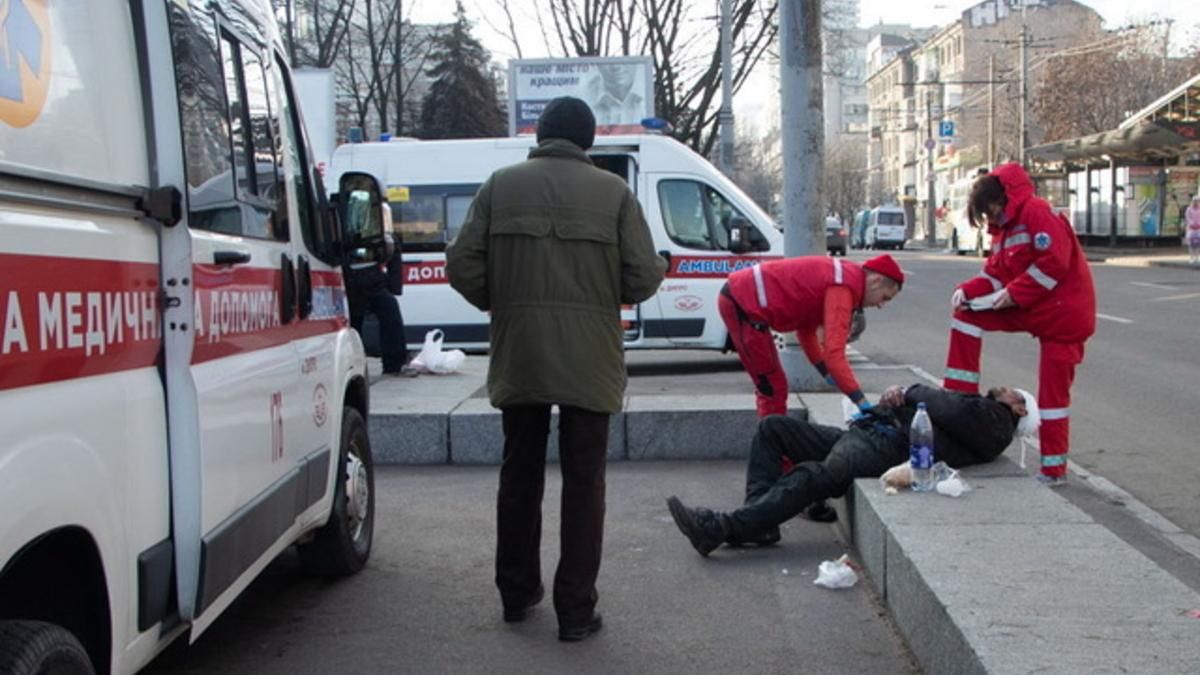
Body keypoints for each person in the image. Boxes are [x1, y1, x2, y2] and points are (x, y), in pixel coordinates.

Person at [445, 96, 666, 642]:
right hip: (589, 360)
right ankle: (575, 610)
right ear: (588, 141)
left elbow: (461, 265)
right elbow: (640, 278)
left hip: (520, 352)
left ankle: (517, 595)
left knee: (518, 474)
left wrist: (505, 303)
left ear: (541, 135)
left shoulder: (500, 185)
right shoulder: (613, 193)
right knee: (584, 482)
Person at [666, 383, 1034, 556]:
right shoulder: (985, 413)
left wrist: (911, 390)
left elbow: (949, 410)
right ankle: (759, 524)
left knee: (816, 475)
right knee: (773, 428)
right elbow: (942, 410)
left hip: (884, 445)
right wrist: (899, 397)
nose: (1006, 390)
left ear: (1019, 411)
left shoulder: (996, 421)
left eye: (1015, 394)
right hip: (872, 432)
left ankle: (723, 528)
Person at [943, 163, 1095, 486]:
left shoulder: (1037, 213)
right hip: (1033, 306)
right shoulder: (1003, 229)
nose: (991, 219)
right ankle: (959, 403)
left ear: (1002, 198)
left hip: (1064, 313)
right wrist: (967, 291)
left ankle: (1054, 470)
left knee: (1053, 397)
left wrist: (1014, 293)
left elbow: (1054, 263)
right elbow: (995, 273)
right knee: (966, 314)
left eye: (991, 211)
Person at [719, 254, 905, 418]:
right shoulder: (843, 288)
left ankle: (775, 447)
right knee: (772, 388)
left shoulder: (843, 278)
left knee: (773, 386)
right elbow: (834, 353)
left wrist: (824, 370)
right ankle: (772, 452)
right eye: (885, 298)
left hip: (742, 301)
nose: (881, 305)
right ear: (876, 281)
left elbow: (806, 330)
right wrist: (860, 400)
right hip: (743, 304)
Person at [345, 227, 417, 377]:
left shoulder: (375, 232)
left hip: (369, 278)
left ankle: (394, 364)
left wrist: (393, 287)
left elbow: (392, 249)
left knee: (389, 310)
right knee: (353, 323)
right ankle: (352, 365)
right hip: (350, 279)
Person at [1185, 194, 1200, 265]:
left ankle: (1197, 257)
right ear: (1192, 201)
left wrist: (1198, 224)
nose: (1196, 202)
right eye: (1195, 201)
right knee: (1191, 244)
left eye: (1198, 201)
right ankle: (1191, 257)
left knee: (1198, 244)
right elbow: (1188, 217)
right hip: (1191, 228)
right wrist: (1192, 224)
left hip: (1199, 228)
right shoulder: (1189, 209)